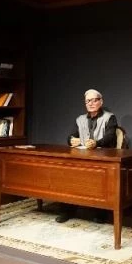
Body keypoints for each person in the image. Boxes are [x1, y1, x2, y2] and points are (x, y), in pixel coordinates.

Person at [55, 88, 118, 223]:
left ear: (101, 102)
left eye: (94, 100)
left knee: (99, 177)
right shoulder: (80, 119)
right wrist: (71, 140)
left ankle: (100, 213)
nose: (91, 103)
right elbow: (71, 136)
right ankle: (67, 210)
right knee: (68, 175)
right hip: (83, 157)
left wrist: (96, 143)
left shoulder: (110, 117)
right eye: (88, 101)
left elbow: (110, 137)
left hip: (103, 157)